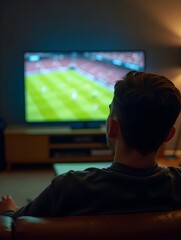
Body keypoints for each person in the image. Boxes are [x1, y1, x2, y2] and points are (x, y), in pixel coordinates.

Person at [0, 71, 181, 219]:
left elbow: (16, 225)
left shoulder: (67, 188)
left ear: (112, 127)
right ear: (169, 135)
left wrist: (8, 210)